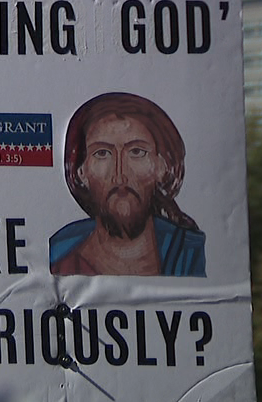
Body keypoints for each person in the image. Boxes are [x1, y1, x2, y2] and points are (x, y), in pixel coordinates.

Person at [49, 92, 205, 276]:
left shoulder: (190, 255)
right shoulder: (59, 261)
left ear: (162, 166)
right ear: (81, 171)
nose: (120, 176)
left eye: (137, 152)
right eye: (102, 153)